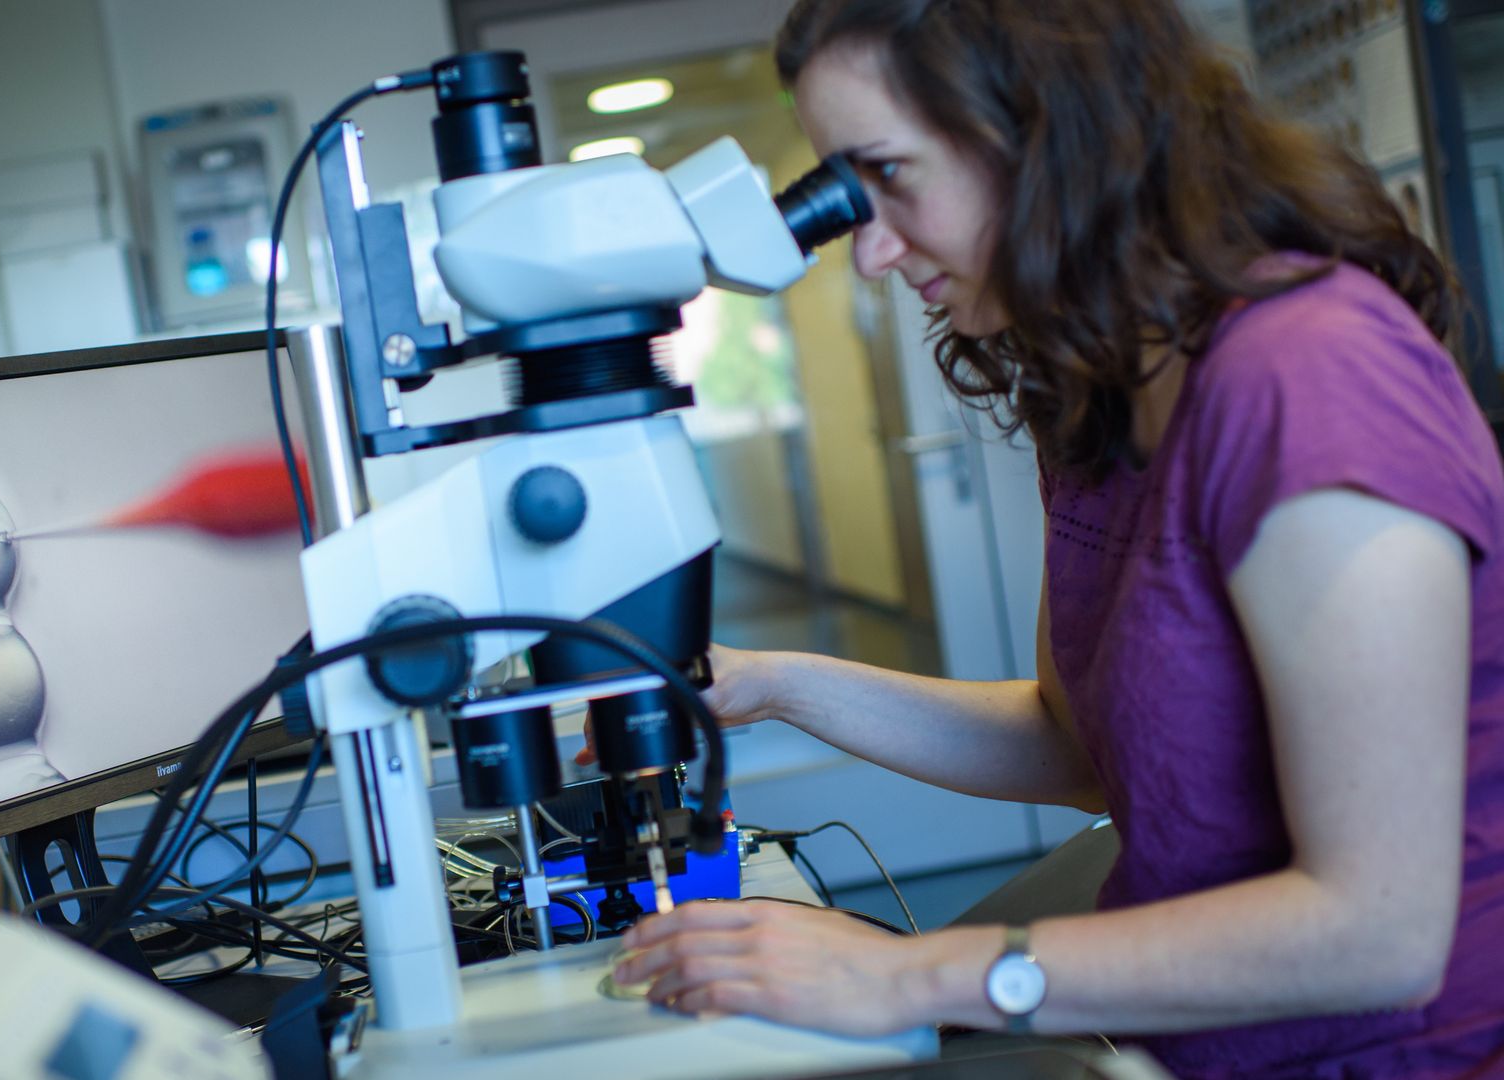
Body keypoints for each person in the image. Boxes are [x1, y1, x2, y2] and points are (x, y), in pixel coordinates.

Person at [602, 1, 1504, 1075]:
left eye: (888, 177)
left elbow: (1381, 932)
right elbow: (1076, 743)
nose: (870, 253)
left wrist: (906, 973)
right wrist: (775, 683)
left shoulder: (1311, 376)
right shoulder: (1102, 388)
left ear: (1053, 133)